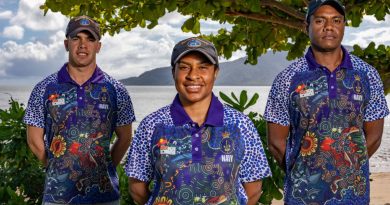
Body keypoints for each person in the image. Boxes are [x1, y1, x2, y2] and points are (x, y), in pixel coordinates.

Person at [264, 0, 389, 204]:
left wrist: (350, 167)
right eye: (320, 20)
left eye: (336, 20)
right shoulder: (288, 78)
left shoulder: (367, 74)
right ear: (307, 27)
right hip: (301, 196)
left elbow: (374, 136)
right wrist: (301, 171)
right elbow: (276, 143)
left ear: (343, 26)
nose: (329, 27)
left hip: (353, 195)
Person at [125, 37, 271, 205]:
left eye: (203, 67)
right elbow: (137, 188)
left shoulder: (240, 125)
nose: (193, 75)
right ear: (174, 72)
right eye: (184, 67)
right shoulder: (152, 125)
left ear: (215, 72)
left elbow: (254, 188)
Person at [23, 15, 135, 204]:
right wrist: (56, 168)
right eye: (76, 38)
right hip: (57, 197)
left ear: (98, 46)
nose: (83, 45)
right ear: (67, 44)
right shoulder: (44, 88)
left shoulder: (116, 90)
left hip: (104, 197)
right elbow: (34, 139)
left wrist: (104, 168)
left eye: (90, 39)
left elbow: (125, 137)